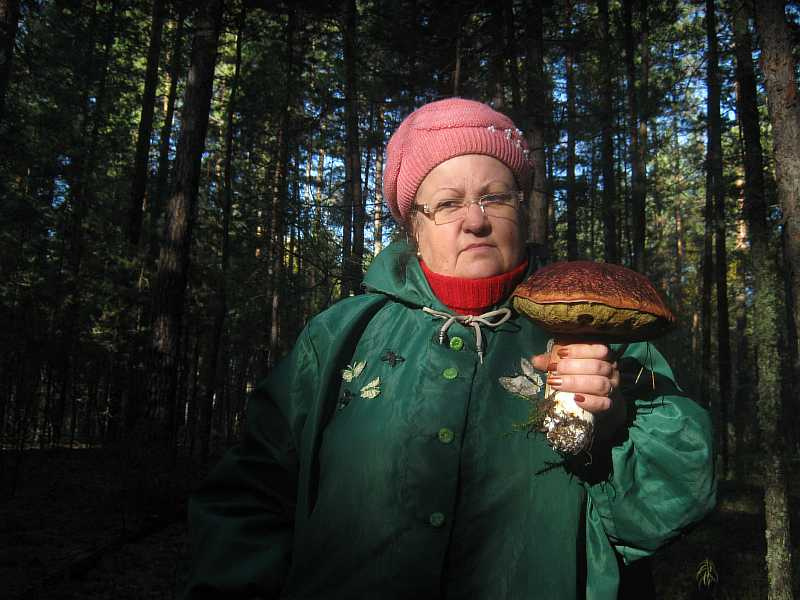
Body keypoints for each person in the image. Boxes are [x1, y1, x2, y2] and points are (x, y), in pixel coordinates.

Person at [184, 98, 716, 599]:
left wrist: (615, 424)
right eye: (447, 203)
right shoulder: (340, 336)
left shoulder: (597, 332)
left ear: (523, 209)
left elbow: (675, 500)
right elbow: (251, 495)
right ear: (413, 226)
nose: (476, 220)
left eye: (496, 197)